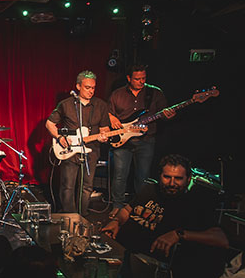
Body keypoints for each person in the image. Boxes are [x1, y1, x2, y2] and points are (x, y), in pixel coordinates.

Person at [45, 70, 116, 214]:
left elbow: (105, 129)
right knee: (68, 186)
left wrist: (104, 136)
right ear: (78, 86)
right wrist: (60, 137)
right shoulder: (66, 104)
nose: (91, 91)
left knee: (87, 186)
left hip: (91, 150)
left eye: (93, 88)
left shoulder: (101, 105)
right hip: (70, 150)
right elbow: (49, 124)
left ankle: (82, 215)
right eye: (87, 87)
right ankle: (69, 215)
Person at [107, 63, 175, 207]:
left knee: (143, 177)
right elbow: (107, 113)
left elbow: (164, 115)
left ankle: (140, 207)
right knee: (119, 176)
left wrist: (168, 115)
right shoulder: (117, 94)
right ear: (129, 78)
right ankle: (117, 207)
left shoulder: (155, 93)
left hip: (146, 140)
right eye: (137, 79)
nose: (141, 81)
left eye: (143, 78)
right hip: (123, 141)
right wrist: (111, 117)